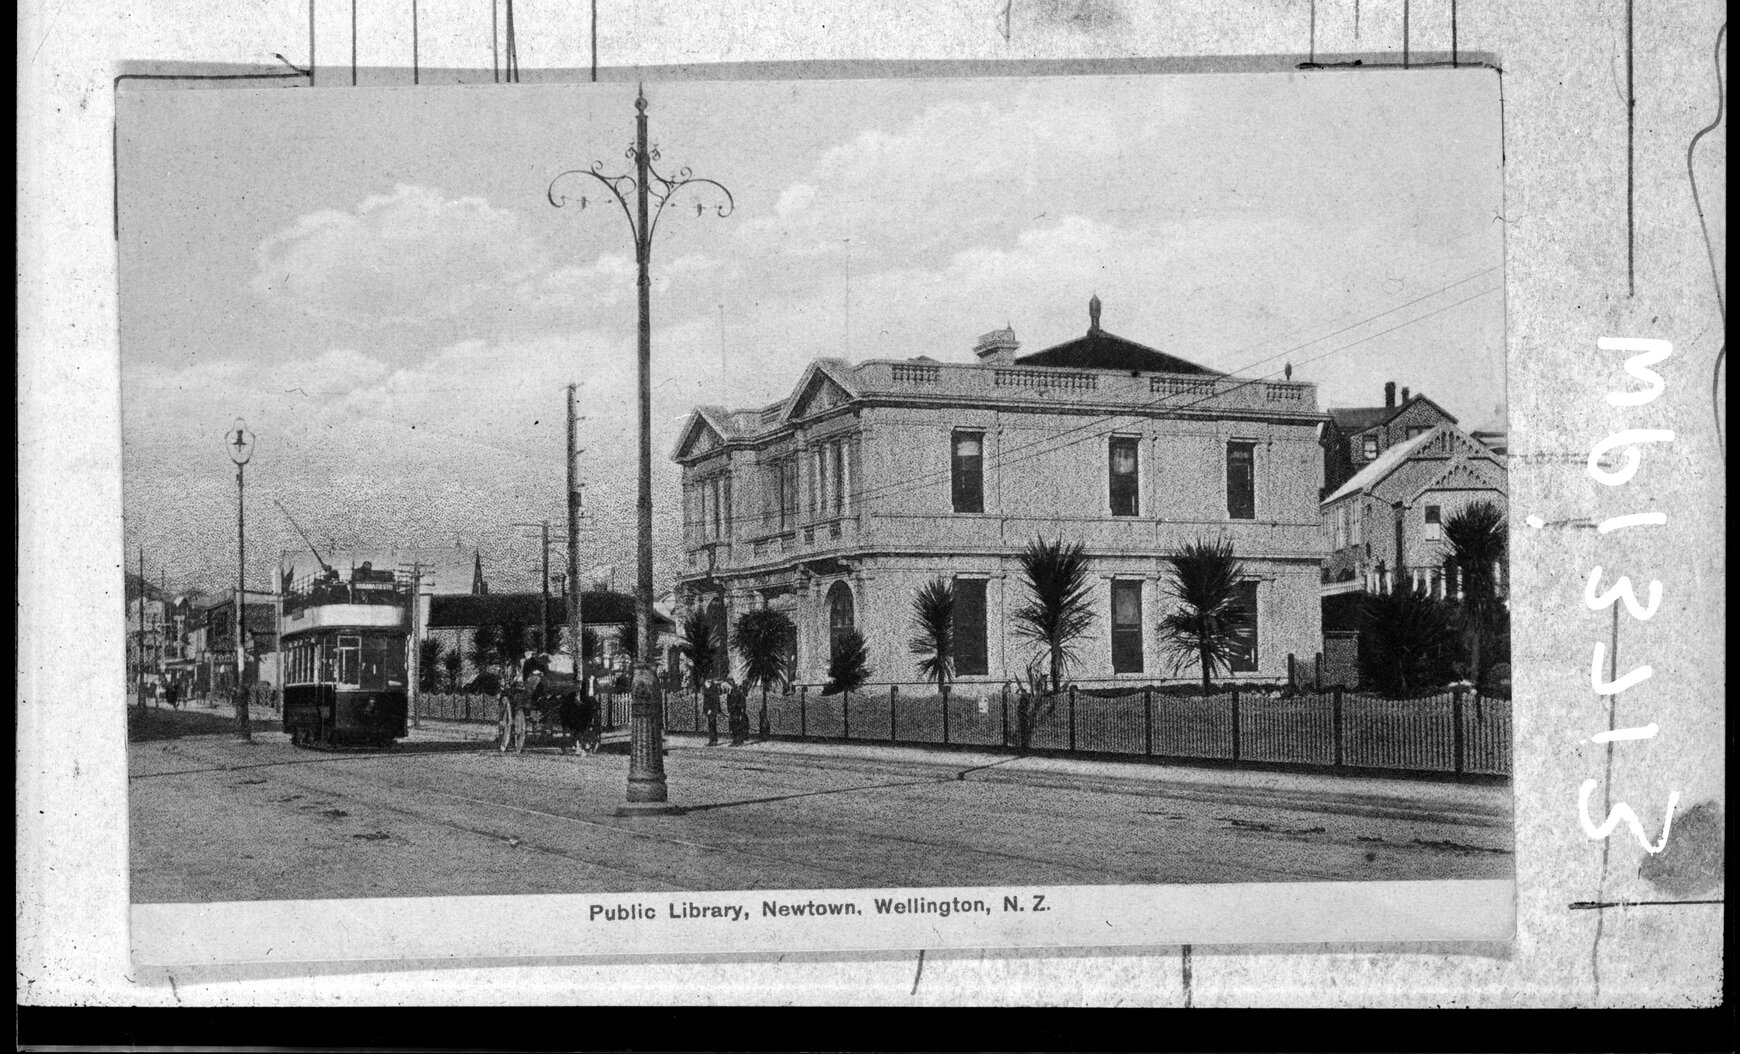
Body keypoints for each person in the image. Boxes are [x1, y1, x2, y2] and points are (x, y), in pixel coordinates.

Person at [725, 678, 749, 746]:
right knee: (732, 726)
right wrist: (729, 710)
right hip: (732, 711)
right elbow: (728, 702)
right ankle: (734, 740)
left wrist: (742, 711)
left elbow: (742, 701)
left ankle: (739, 740)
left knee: (738, 726)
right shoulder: (730, 691)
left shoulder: (738, 691)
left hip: (737, 711)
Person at [701, 678, 722, 746]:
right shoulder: (706, 686)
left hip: (712, 709)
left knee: (712, 724)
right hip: (708, 709)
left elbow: (715, 699)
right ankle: (712, 740)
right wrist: (706, 709)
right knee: (711, 724)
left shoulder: (713, 687)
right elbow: (706, 700)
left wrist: (711, 709)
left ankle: (713, 740)